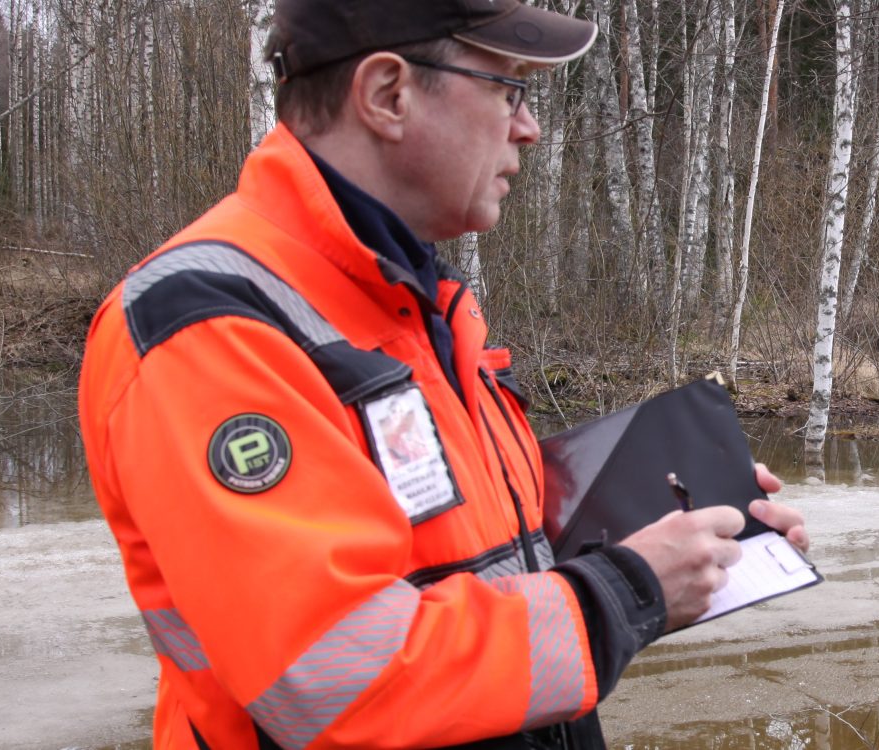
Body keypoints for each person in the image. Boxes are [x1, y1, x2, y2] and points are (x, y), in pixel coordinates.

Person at [77, 2, 809, 747]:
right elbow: (334, 679)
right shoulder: (206, 322)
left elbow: (474, 561)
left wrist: (666, 539)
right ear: (389, 94)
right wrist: (630, 588)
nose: (529, 128)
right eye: (508, 89)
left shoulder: (420, 300)